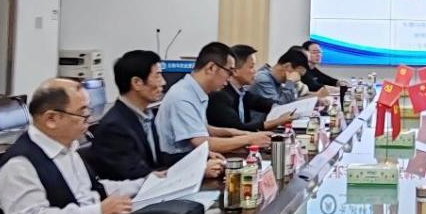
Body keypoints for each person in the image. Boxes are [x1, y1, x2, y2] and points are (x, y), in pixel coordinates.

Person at [0, 79, 141, 214]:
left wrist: (144, 184)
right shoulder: (19, 165)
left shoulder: (67, 148)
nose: (90, 119)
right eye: (82, 113)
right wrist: (98, 212)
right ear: (51, 119)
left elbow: (90, 190)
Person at [89, 50, 224, 181]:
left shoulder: (145, 116)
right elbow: (139, 177)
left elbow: (160, 160)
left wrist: (199, 157)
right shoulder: (115, 127)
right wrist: (197, 171)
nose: (163, 82)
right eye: (157, 75)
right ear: (137, 83)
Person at [156, 41, 271, 157]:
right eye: (229, 72)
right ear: (211, 68)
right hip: (177, 162)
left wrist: (239, 133)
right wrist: (248, 139)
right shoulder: (183, 96)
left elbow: (202, 129)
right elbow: (203, 143)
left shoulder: (195, 91)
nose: (230, 78)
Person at [207, 44, 296, 132]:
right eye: (251, 67)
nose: (254, 71)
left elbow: (264, 103)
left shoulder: (241, 92)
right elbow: (238, 128)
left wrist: (281, 108)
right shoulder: (219, 95)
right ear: (235, 71)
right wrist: (277, 121)